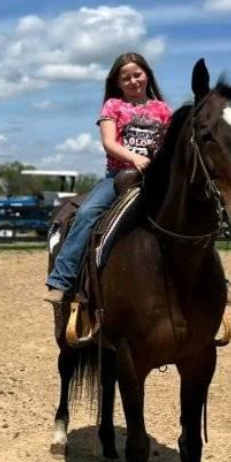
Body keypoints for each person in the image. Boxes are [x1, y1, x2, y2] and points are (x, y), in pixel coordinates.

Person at [44, 52, 172, 303]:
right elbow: (109, 143)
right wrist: (135, 159)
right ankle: (62, 279)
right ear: (118, 83)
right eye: (126, 78)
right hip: (119, 176)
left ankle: (219, 281)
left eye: (137, 74)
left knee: (191, 209)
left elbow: (169, 145)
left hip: (155, 177)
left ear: (147, 75)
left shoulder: (163, 110)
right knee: (87, 213)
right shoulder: (113, 105)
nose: (133, 81)